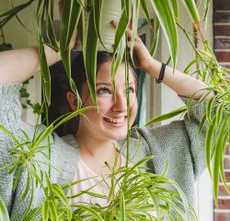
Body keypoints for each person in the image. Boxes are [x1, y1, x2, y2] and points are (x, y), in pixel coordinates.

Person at [0, 16, 211, 219]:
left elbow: (219, 112)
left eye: (129, 90)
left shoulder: (155, 155)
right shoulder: (40, 157)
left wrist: (151, 65)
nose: (121, 106)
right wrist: (55, 51)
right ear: (75, 102)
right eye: (104, 91)